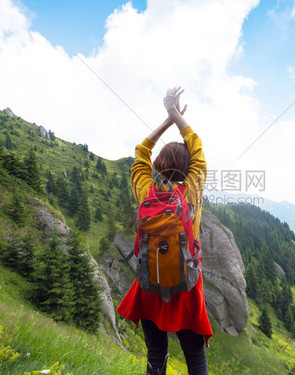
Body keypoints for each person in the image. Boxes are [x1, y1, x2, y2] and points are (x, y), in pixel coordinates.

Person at [116, 87, 212, 375]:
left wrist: (167, 120)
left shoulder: (145, 192)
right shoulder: (191, 192)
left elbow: (141, 151)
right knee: (194, 359)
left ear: (158, 166)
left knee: (156, 355)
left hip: (149, 285)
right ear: (188, 169)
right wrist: (175, 115)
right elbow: (197, 146)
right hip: (186, 286)